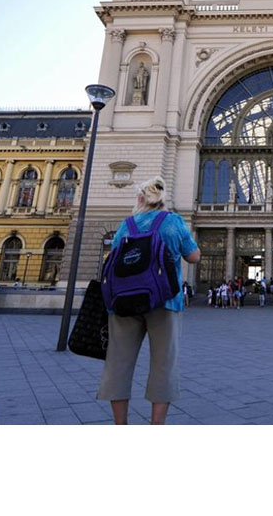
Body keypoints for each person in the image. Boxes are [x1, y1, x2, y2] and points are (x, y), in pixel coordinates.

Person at [98, 176, 200, 425]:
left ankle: (121, 425)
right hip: (164, 302)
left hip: (122, 303)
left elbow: (113, 258)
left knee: (118, 365)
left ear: (141, 198)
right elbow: (194, 257)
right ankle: (156, 425)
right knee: (163, 365)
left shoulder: (127, 224)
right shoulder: (173, 222)